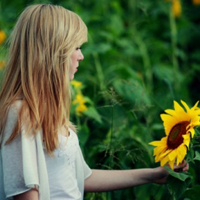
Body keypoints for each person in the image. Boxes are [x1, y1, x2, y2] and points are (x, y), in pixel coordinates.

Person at [0, 4, 188, 200]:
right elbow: (25, 194)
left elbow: (82, 178)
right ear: (53, 53)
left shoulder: (49, 112)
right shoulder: (19, 112)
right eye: (76, 48)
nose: (81, 56)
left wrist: (155, 174)